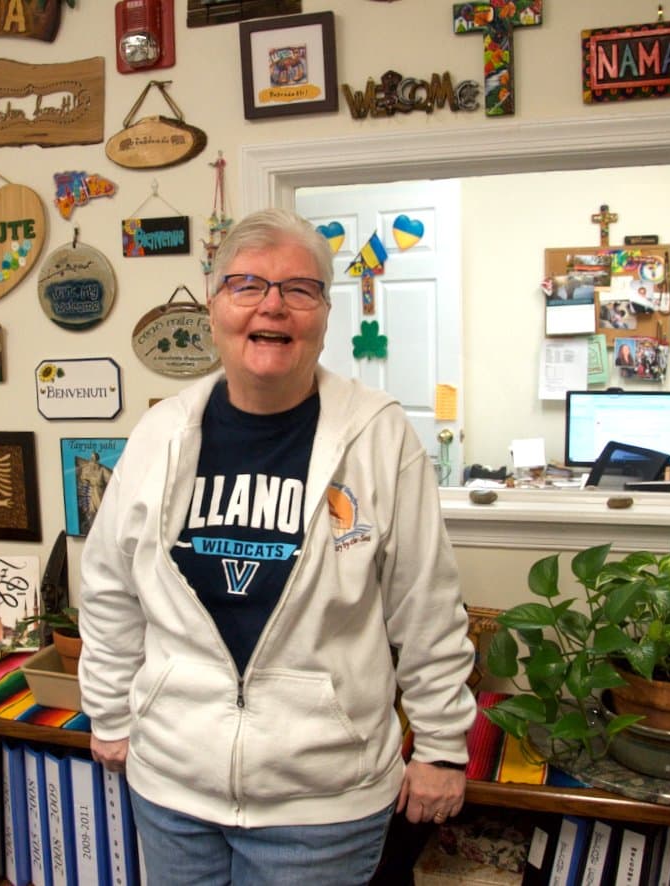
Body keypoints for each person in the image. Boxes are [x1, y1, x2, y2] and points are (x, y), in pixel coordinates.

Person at [78, 208, 476, 885]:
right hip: (173, 788)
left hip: (322, 803)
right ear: (214, 307)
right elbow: (111, 585)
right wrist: (110, 711)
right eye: (247, 286)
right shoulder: (161, 433)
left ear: (324, 313)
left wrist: (441, 747)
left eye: (299, 289)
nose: (273, 305)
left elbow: (425, 604)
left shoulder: (378, 436)